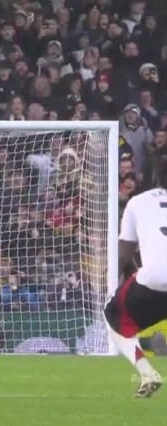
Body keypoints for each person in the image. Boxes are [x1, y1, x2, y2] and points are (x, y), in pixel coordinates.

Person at [104, 162, 167, 397]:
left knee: (113, 314)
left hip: (155, 278)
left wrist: (114, 282)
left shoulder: (139, 201)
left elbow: (125, 253)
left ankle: (147, 373)